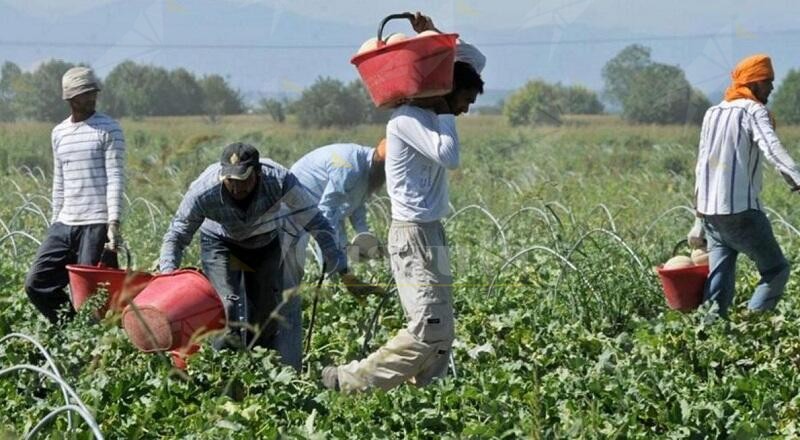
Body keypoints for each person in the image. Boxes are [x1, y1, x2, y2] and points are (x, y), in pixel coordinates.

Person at [322, 13, 485, 392]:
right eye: (464, 100)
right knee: (428, 326)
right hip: (412, 237)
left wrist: (434, 36)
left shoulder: (429, 115)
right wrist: (445, 110)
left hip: (433, 233)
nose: (466, 109)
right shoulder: (406, 120)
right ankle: (348, 381)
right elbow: (450, 156)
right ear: (446, 93)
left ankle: (425, 399)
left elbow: (476, 60)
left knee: (443, 328)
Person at [158, 142, 368, 370]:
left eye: (243, 181)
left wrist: (337, 262)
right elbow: (177, 234)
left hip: (265, 242)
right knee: (226, 305)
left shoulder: (279, 180)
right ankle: (220, 371)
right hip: (220, 242)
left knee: (264, 314)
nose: (236, 189)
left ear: (258, 173)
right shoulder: (203, 190)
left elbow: (315, 220)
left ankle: (258, 370)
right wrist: (167, 277)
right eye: (230, 181)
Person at [687, 54, 800, 317]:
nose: (771, 87)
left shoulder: (713, 112)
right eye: (767, 81)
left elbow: (702, 165)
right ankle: (752, 324)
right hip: (741, 212)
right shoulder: (753, 111)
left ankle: (710, 334)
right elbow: (772, 148)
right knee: (776, 269)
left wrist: (698, 219)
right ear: (753, 83)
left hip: (712, 215)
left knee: (720, 280)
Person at [25, 66, 125, 324]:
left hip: (96, 223)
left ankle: (90, 345)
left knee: (90, 297)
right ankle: (71, 331)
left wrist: (113, 224)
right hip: (65, 222)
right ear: (70, 98)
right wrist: (54, 222)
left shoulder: (108, 129)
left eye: (93, 92)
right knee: (37, 283)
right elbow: (59, 181)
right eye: (84, 94)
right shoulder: (59, 133)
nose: (90, 98)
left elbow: (115, 177)